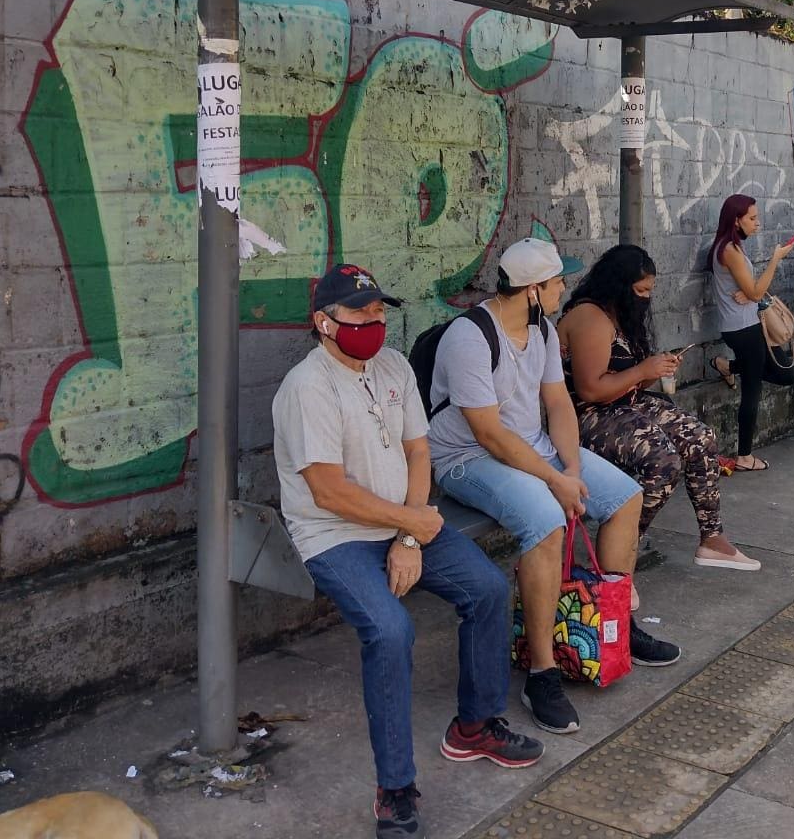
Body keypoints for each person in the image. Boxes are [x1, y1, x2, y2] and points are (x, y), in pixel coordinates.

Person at [272, 263, 542, 838]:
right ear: (324, 322)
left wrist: (408, 537)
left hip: (404, 523)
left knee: (489, 589)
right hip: (334, 535)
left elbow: (419, 454)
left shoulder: (392, 364)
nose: (374, 321)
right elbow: (328, 491)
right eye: (359, 312)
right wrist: (409, 526)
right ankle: (394, 789)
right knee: (391, 632)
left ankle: (475, 726)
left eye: (378, 310)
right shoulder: (307, 387)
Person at [429, 238, 677, 738]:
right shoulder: (470, 335)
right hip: (466, 458)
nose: (565, 287)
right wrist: (555, 481)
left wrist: (571, 468)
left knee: (625, 496)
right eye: (557, 280)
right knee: (545, 521)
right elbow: (488, 433)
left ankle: (612, 627)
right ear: (532, 288)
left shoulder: (541, 329)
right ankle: (541, 672)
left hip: (534, 449)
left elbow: (559, 405)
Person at [559, 245, 760, 571]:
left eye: (649, 291)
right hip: (590, 416)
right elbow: (591, 389)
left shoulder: (621, 316)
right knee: (663, 460)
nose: (645, 298)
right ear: (618, 285)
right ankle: (621, 549)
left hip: (628, 404)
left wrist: (655, 371)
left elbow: (630, 382)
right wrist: (642, 371)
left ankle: (712, 538)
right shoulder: (591, 317)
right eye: (640, 291)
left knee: (700, 438)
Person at [708, 194, 794, 471]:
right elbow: (757, 290)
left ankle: (727, 365)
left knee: (787, 372)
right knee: (752, 391)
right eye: (752, 218)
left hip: (747, 324)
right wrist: (775, 259)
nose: (757, 223)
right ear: (736, 220)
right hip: (743, 329)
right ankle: (745, 457)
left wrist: (749, 295)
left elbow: (750, 291)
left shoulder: (733, 247)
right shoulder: (728, 251)